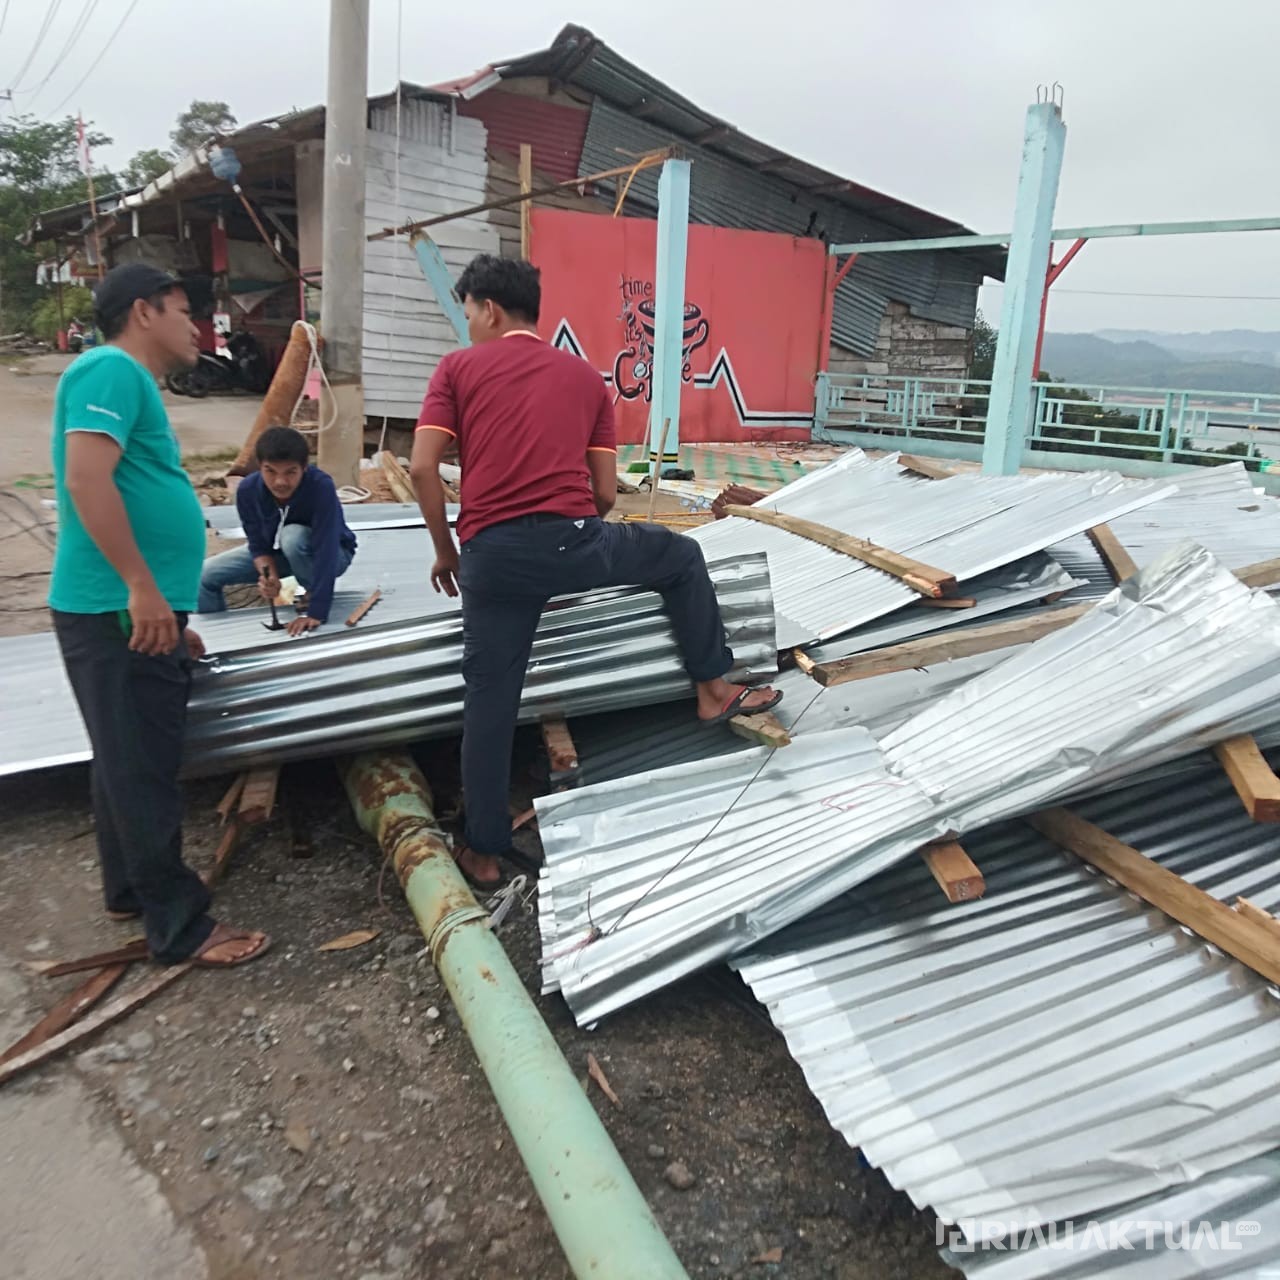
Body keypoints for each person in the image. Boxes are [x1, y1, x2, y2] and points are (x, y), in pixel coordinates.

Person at [409, 254, 781, 891]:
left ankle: (485, 851)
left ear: (489, 309)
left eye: (468, 311)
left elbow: (421, 470)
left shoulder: (457, 368)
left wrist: (448, 552)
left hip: (492, 560)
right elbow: (605, 494)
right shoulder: (585, 378)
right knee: (679, 556)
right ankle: (713, 690)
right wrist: (571, 545)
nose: (468, 323)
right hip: (574, 546)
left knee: (490, 702)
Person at [48, 262, 269, 967]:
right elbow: (87, 479)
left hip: (129, 606)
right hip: (117, 603)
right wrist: (141, 590)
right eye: (182, 311)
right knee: (142, 762)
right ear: (144, 311)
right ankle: (180, 925)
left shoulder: (123, 378)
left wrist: (169, 610)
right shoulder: (109, 370)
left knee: (122, 755)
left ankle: (130, 891)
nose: (195, 326)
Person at [198, 425, 357, 635]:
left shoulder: (321, 487)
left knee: (292, 535)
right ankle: (217, 639)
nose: (280, 482)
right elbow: (257, 545)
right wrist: (269, 575)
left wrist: (316, 611)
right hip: (283, 553)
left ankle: (309, 594)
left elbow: (326, 548)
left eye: (290, 472)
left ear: (304, 468)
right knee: (203, 574)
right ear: (260, 467)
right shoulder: (247, 491)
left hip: (332, 555)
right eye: (270, 471)